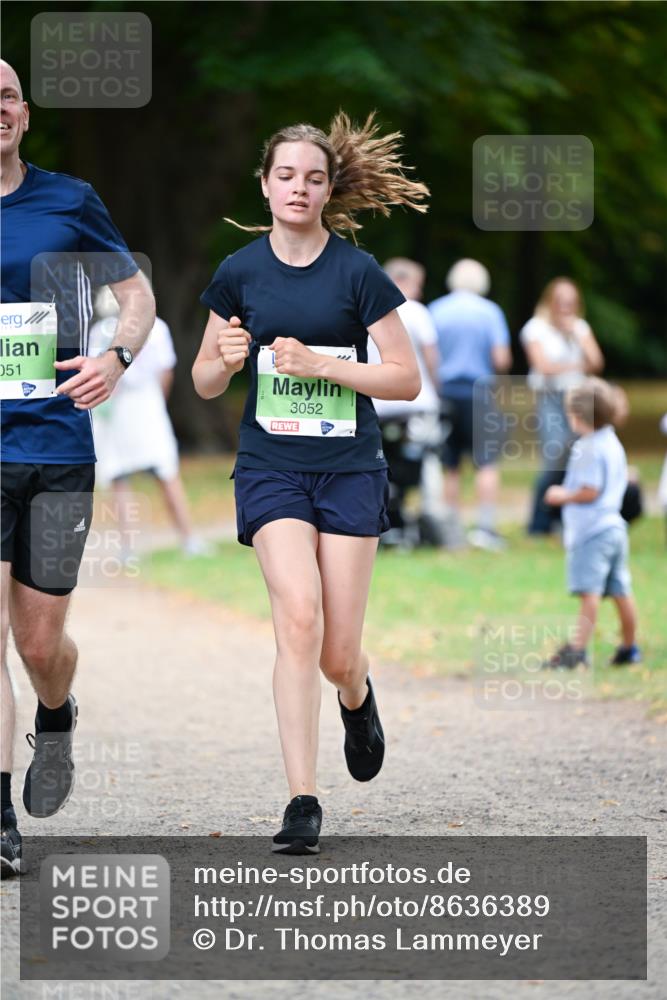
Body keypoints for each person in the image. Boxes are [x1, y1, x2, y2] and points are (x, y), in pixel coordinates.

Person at [192, 111, 427, 853]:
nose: (298, 188)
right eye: (285, 175)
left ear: (328, 191)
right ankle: (302, 799)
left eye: (313, 178)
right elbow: (201, 381)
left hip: (349, 468)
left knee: (335, 652)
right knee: (297, 615)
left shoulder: (357, 273)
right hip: (271, 468)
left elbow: (406, 379)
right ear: (264, 186)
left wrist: (324, 364)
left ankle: (355, 696)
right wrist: (226, 359)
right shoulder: (238, 272)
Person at [0, 61, 155, 877]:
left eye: (6, 96)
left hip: (57, 447)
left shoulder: (69, 198)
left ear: (24, 112)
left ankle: (55, 717)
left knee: (38, 641)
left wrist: (118, 356)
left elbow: (137, 294)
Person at [89, 287, 209, 558]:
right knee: (155, 471)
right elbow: (165, 371)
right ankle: (186, 539)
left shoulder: (103, 331)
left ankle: (134, 547)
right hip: (138, 405)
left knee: (131, 474)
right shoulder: (155, 328)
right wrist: (158, 403)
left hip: (129, 405)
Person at [543, 378, 641, 668]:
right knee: (621, 591)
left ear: (579, 415)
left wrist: (561, 495)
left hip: (593, 532)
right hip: (615, 528)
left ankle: (578, 651)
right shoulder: (612, 441)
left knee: (590, 592)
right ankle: (629, 648)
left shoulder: (588, 447)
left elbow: (590, 490)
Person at [428, 258, 512, 550]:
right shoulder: (490, 313)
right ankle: (485, 528)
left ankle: (452, 527)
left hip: (445, 394)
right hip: (479, 393)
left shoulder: (436, 310)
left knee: (449, 463)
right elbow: (501, 358)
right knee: (486, 462)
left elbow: (429, 355)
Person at [366, 258, 443, 546]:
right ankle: (427, 519)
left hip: (379, 402)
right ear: (405, 281)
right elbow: (431, 356)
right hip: (416, 404)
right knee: (424, 464)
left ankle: (384, 519)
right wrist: (437, 388)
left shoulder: (368, 308)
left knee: (382, 466)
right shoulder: (416, 311)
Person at [520, 277, 604, 535]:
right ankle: (539, 521)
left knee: (578, 457)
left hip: (577, 399)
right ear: (551, 302)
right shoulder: (535, 328)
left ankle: (564, 516)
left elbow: (597, 362)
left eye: (571, 302)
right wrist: (577, 366)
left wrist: (574, 339)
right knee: (555, 456)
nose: (565, 308)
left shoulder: (580, 328)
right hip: (550, 399)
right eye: (561, 302)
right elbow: (544, 368)